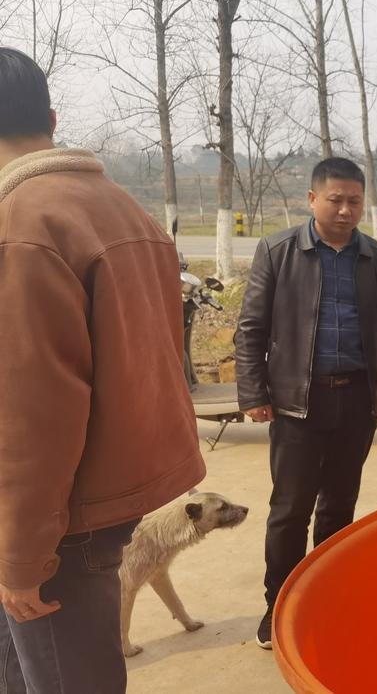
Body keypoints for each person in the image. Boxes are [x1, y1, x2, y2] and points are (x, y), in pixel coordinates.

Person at [0, 47, 206, 692]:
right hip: (107, 496)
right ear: (51, 120)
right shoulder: (120, 205)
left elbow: (33, 413)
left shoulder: (21, 225)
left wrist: (22, 555)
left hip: (59, 518)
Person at [234, 157, 377, 650]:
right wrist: (254, 392)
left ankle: (327, 594)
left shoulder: (376, 258)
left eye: (354, 202)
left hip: (357, 400)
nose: (345, 210)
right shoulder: (279, 251)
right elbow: (251, 328)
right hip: (297, 404)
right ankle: (278, 606)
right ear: (312, 199)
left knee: (339, 506)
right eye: (335, 200)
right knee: (290, 509)